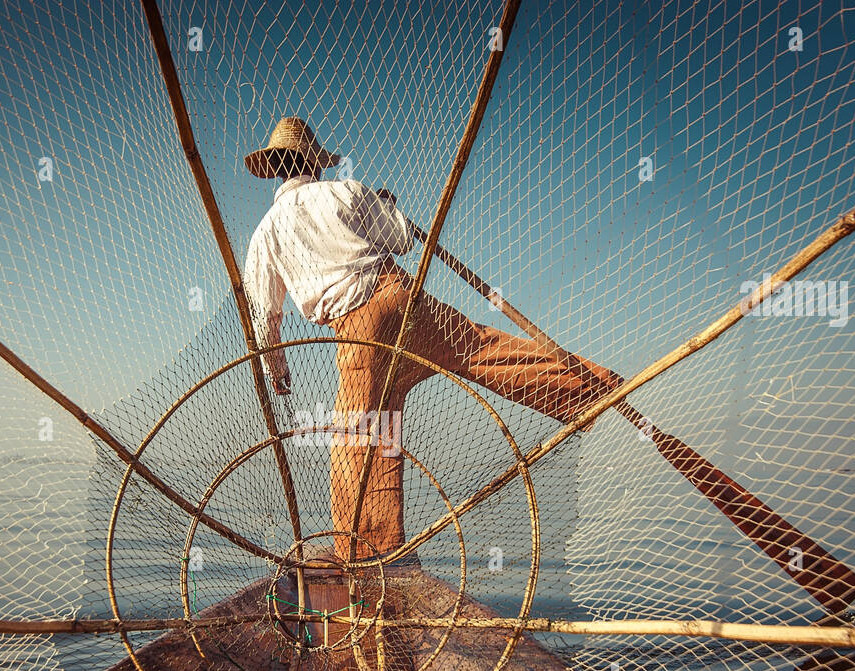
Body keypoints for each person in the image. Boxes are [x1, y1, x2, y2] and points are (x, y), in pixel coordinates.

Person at [242, 117, 622, 565]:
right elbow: (401, 239)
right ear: (315, 163)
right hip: (400, 297)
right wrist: (386, 206)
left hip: (360, 331)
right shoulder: (345, 191)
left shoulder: (265, 233)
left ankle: (367, 549)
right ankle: (598, 392)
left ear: (276, 170)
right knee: (479, 347)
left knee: (359, 436)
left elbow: (264, 314)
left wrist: (276, 369)